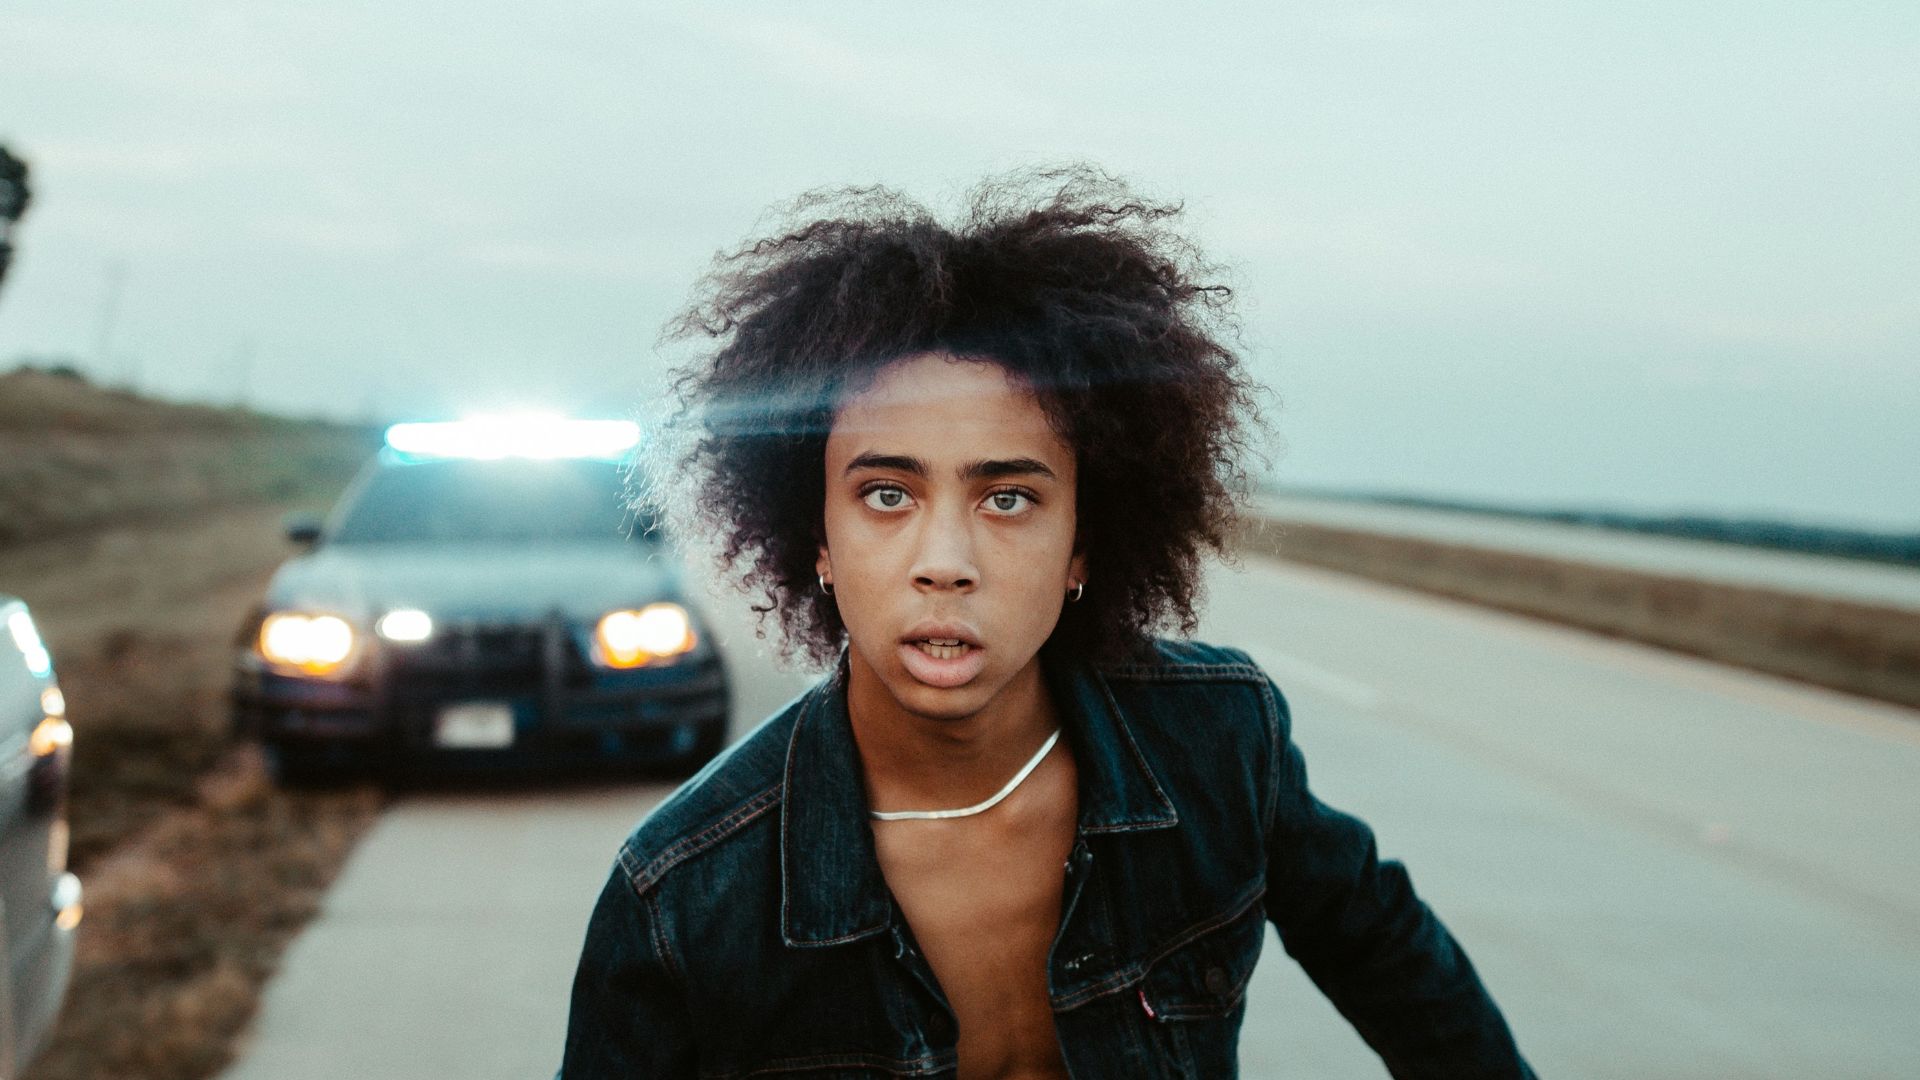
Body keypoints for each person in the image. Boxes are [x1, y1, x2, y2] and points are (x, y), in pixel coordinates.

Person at [559, 167, 1535, 1078]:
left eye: (1009, 500)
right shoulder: (683, 899)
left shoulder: (1220, 744)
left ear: (1082, 546)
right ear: (814, 536)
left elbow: (1403, 970)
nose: (946, 562)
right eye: (888, 496)